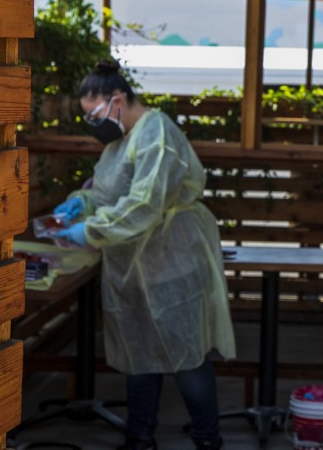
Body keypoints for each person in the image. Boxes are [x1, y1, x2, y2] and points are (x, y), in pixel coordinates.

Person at [52, 60, 236, 450]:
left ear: (116, 100)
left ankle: (207, 439)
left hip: (172, 258)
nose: (92, 124)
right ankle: (140, 436)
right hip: (131, 265)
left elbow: (146, 202)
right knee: (139, 352)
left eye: (94, 114)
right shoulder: (121, 140)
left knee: (186, 354)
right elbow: (105, 192)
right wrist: (80, 205)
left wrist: (92, 230)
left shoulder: (157, 132)